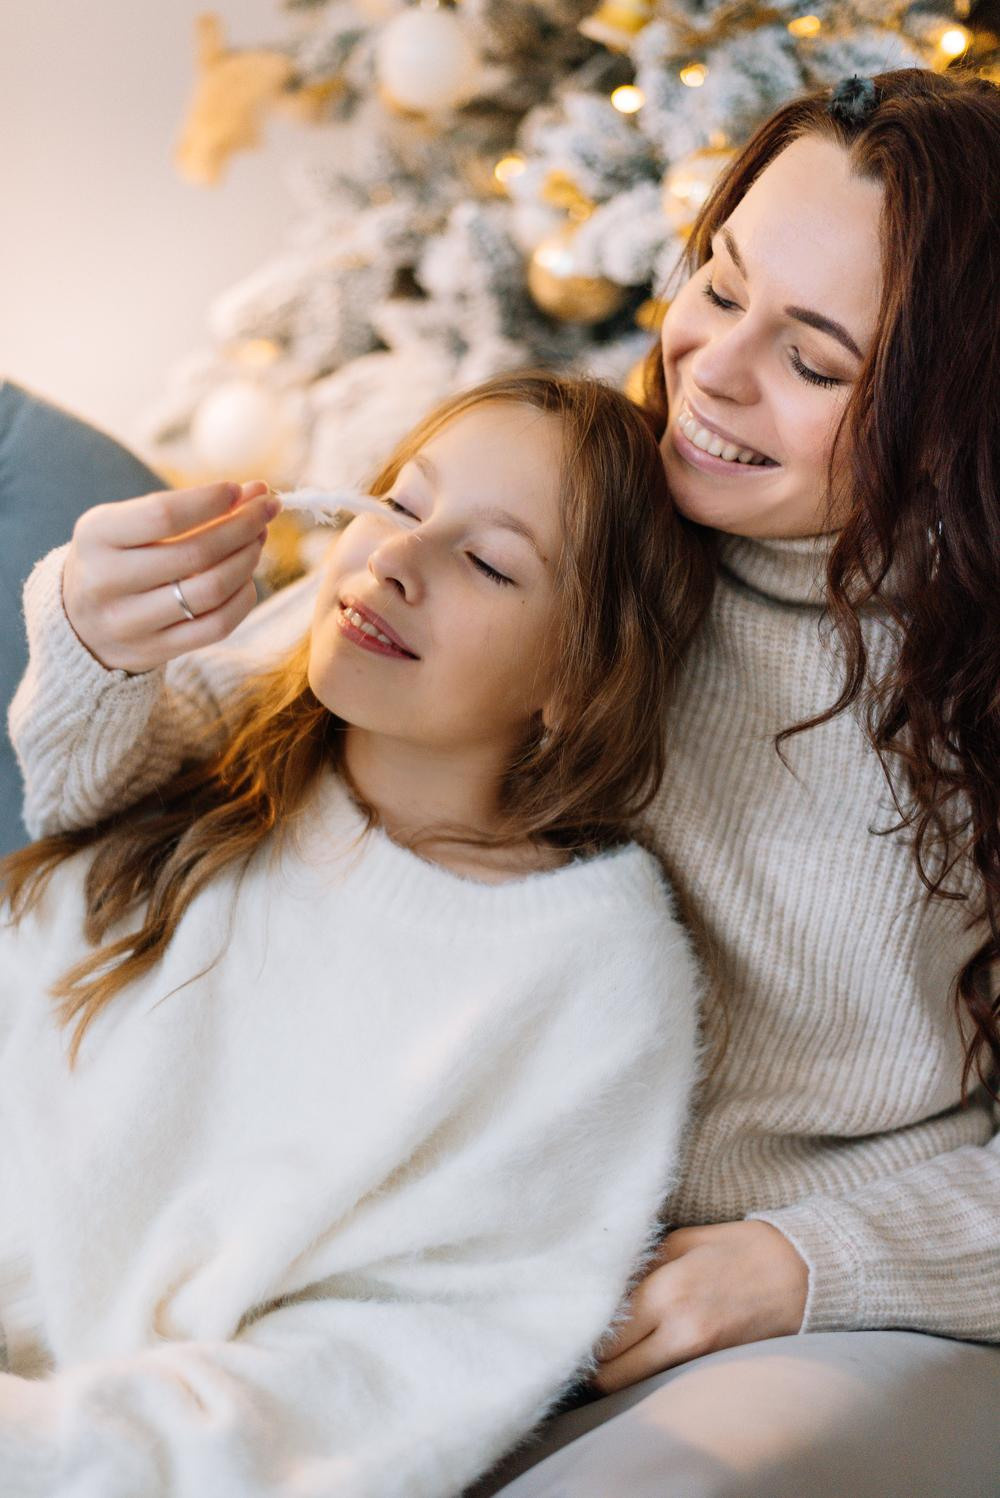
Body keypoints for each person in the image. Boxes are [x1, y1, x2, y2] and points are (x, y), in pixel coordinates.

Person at [7, 63, 1000, 1496]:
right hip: (432, 1267)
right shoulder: (577, 501)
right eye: (718, 288)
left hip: (758, 1322)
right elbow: (156, 785)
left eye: (817, 359)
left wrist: (810, 1261)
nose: (711, 370)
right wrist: (97, 641)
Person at [0, 373, 709, 1498]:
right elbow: (76, 778)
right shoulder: (228, 739)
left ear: (581, 677)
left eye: (486, 562)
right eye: (397, 503)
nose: (393, 560)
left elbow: (389, 1369)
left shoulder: (588, 974)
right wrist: (88, 625)